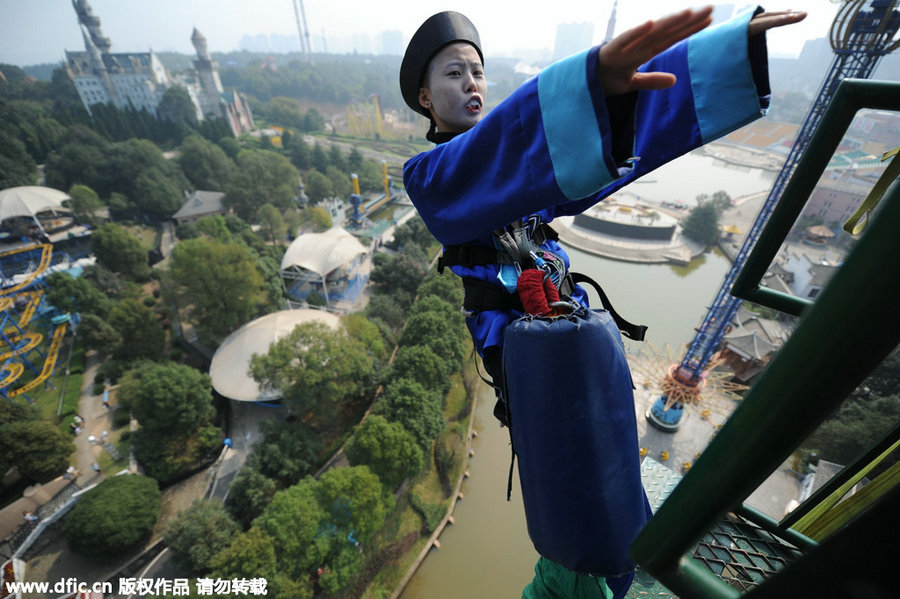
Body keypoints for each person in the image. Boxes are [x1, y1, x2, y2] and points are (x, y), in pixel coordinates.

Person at [400, 6, 805, 599]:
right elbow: (492, 160)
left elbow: (609, 151)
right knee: (573, 480)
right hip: (529, 355)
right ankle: (588, 580)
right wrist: (586, 91)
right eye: (454, 73)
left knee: (612, 445)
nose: (471, 83)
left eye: (478, 72)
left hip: (575, 329)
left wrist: (719, 60)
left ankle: (625, 556)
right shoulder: (431, 177)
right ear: (424, 98)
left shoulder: (518, 176)